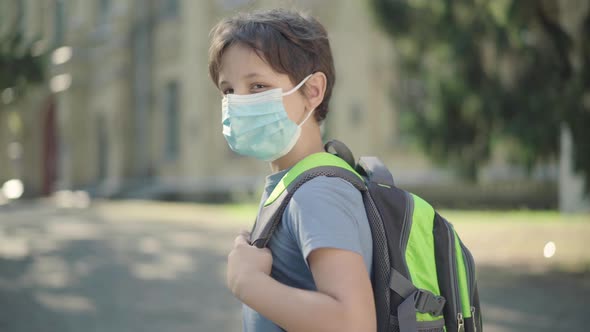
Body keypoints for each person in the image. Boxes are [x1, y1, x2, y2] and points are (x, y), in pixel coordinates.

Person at [208, 8, 376, 332]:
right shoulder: (296, 184)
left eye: (257, 86)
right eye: (228, 90)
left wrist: (247, 282)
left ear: (312, 91)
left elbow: (354, 324)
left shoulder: (317, 192)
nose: (238, 102)